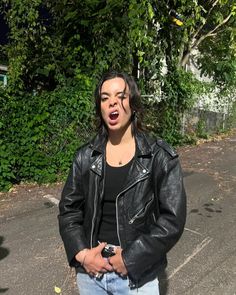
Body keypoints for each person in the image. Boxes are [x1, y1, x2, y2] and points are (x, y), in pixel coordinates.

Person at [58, 70, 186, 294]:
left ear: (134, 104)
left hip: (137, 275)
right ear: (100, 106)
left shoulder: (159, 156)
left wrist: (130, 258)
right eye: (105, 97)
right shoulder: (85, 157)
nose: (112, 103)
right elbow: (69, 210)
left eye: (121, 96)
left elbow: (172, 220)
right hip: (91, 273)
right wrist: (82, 254)